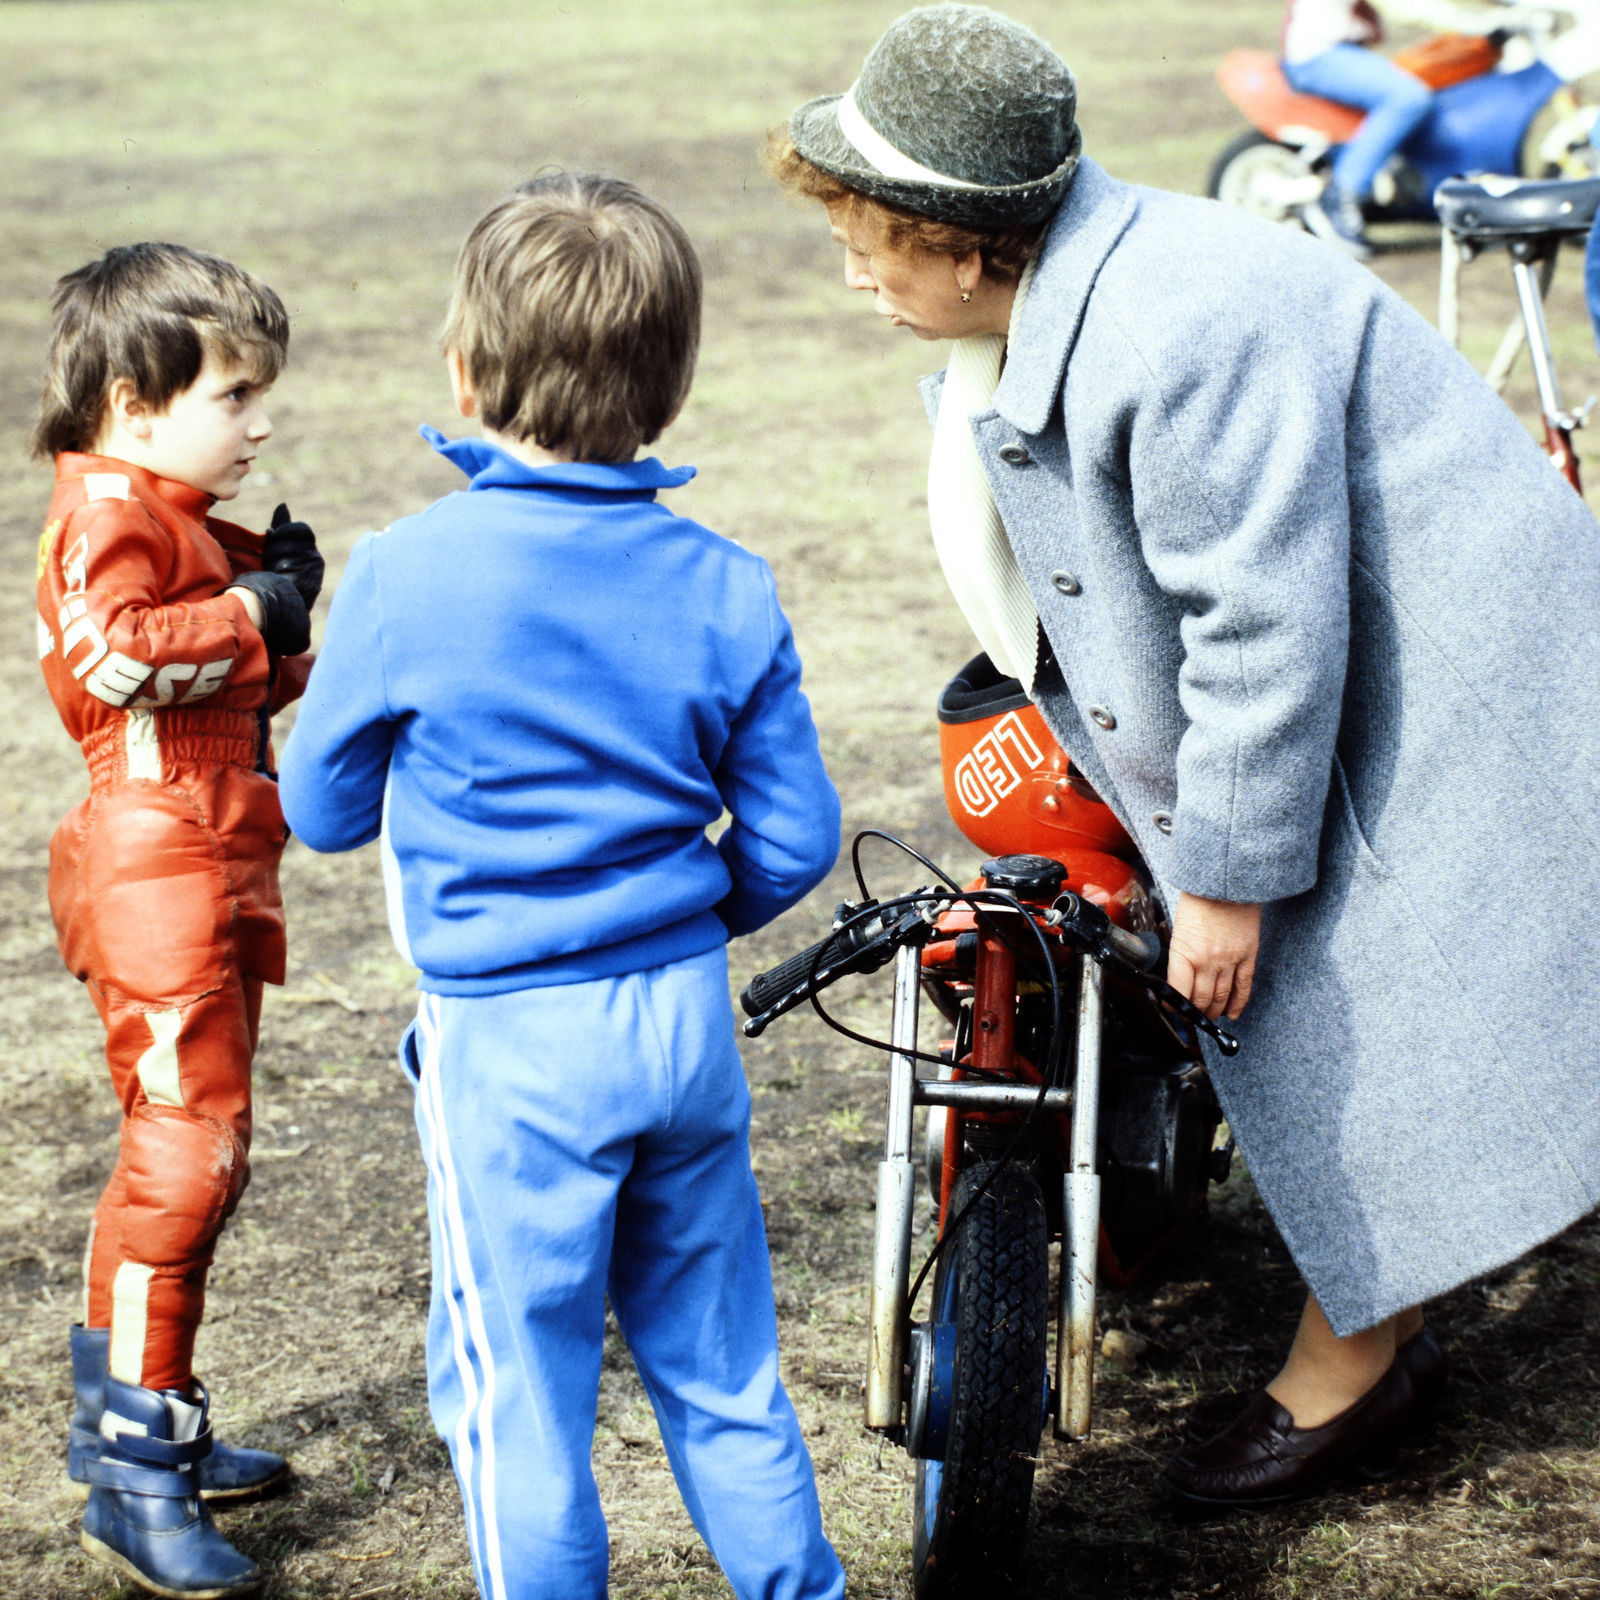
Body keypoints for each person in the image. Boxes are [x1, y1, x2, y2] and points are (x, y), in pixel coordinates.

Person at [770, 3, 1600, 1507]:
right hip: (1365, 636)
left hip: (1445, 664)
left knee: (1354, 979)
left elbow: (1265, 631)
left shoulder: (1178, 329)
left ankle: (1361, 1352)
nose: (852, 273)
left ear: (966, 247)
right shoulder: (1065, 286)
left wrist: (1223, 876)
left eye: (869, 242)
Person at [277, 172, 846, 1600]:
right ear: (673, 383)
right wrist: (672, 918)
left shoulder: (406, 575)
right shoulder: (730, 581)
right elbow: (795, 836)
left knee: (516, 1397)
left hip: (510, 1044)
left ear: (465, 375)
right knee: (723, 1374)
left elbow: (324, 811)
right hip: (682, 1023)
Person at [33, 243, 322, 1596]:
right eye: (234, 394)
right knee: (183, 1158)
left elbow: (226, 687)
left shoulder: (171, 514)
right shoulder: (105, 512)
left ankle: (142, 1420)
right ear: (135, 401)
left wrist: (288, 618)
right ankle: (134, 1473)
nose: (259, 421)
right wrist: (249, 614)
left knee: (202, 1151)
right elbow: (110, 657)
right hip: (156, 862)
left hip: (208, 855)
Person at [1281, 0, 1498, 255]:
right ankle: (1340, 194)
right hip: (1319, 56)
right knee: (1408, 97)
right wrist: (1468, 23)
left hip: (1342, 50)